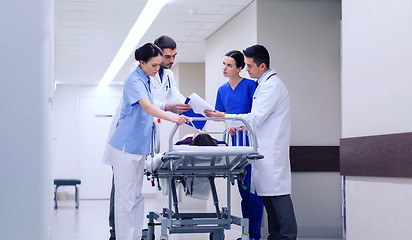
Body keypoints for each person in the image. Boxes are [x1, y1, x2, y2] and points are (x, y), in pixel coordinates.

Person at [205, 45, 298, 240]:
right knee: (268, 198)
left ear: (262, 65)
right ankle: (275, 236)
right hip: (258, 149)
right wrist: (227, 120)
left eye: (249, 66)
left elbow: (255, 118)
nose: (247, 70)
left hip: (270, 150)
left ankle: (286, 236)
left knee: (277, 198)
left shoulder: (271, 86)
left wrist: (227, 116)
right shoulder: (263, 85)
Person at [104, 35, 190, 240]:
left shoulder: (157, 75)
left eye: (161, 63)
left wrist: (190, 106)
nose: (159, 68)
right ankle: (119, 236)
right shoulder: (135, 77)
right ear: (143, 62)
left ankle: (133, 236)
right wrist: (173, 116)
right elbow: (150, 106)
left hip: (140, 144)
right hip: (126, 144)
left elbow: (171, 95)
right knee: (125, 197)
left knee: (135, 196)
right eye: (156, 64)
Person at [204, 50, 263, 240]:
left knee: (253, 193)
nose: (224, 68)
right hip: (235, 145)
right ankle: (247, 234)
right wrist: (228, 125)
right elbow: (222, 115)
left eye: (229, 65)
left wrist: (236, 123)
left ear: (240, 68)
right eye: (223, 64)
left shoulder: (250, 86)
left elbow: (256, 114)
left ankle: (253, 235)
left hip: (251, 143)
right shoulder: (222, 90)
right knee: (243, 191)